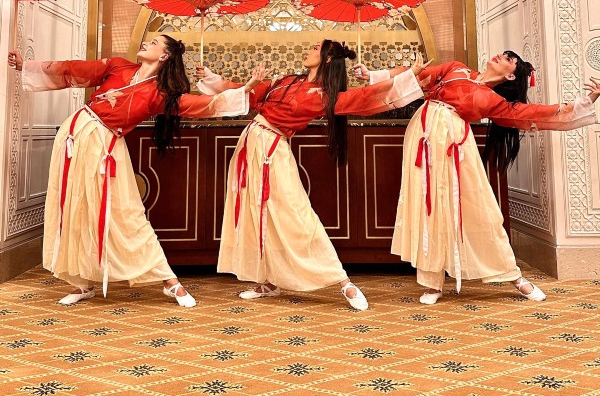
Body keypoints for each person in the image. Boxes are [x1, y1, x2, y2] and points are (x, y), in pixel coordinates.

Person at [8, 35, 265, 307]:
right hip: (76, 135)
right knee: (76, 207)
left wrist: (245, 88)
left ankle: (169, 281)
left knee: (126, 213)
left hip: (106, 146)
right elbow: (75, 69)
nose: (146, 45)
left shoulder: (160, 93)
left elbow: (200, 106)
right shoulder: (117, 66)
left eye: (154, 43)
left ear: (165, 56)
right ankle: (83, 282)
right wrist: (29, 66)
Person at [196, 40, 425, 311]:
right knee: (256, 212)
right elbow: (248, 94)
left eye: (316, 48)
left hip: (273, 149)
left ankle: (342, 280)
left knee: (296, 213)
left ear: (327, 59)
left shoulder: (326, 95)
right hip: (251, 143)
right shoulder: (285, 80)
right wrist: (210, 78)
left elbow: (368, 97)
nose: (308, 50)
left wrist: (408, 76)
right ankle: (267, 280)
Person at [354, 52, 599, 304]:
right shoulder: (456, 68)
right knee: (427, 206)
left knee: (478, 205)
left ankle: (513, 274)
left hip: (455, 144)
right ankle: (432, 282)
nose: (499, 56)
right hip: (423, 136)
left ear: (511, 74)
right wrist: (372, 75)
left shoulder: (493, 100)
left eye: (507, 58)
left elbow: (533, 113)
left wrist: (585, 102)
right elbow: (419, 75)